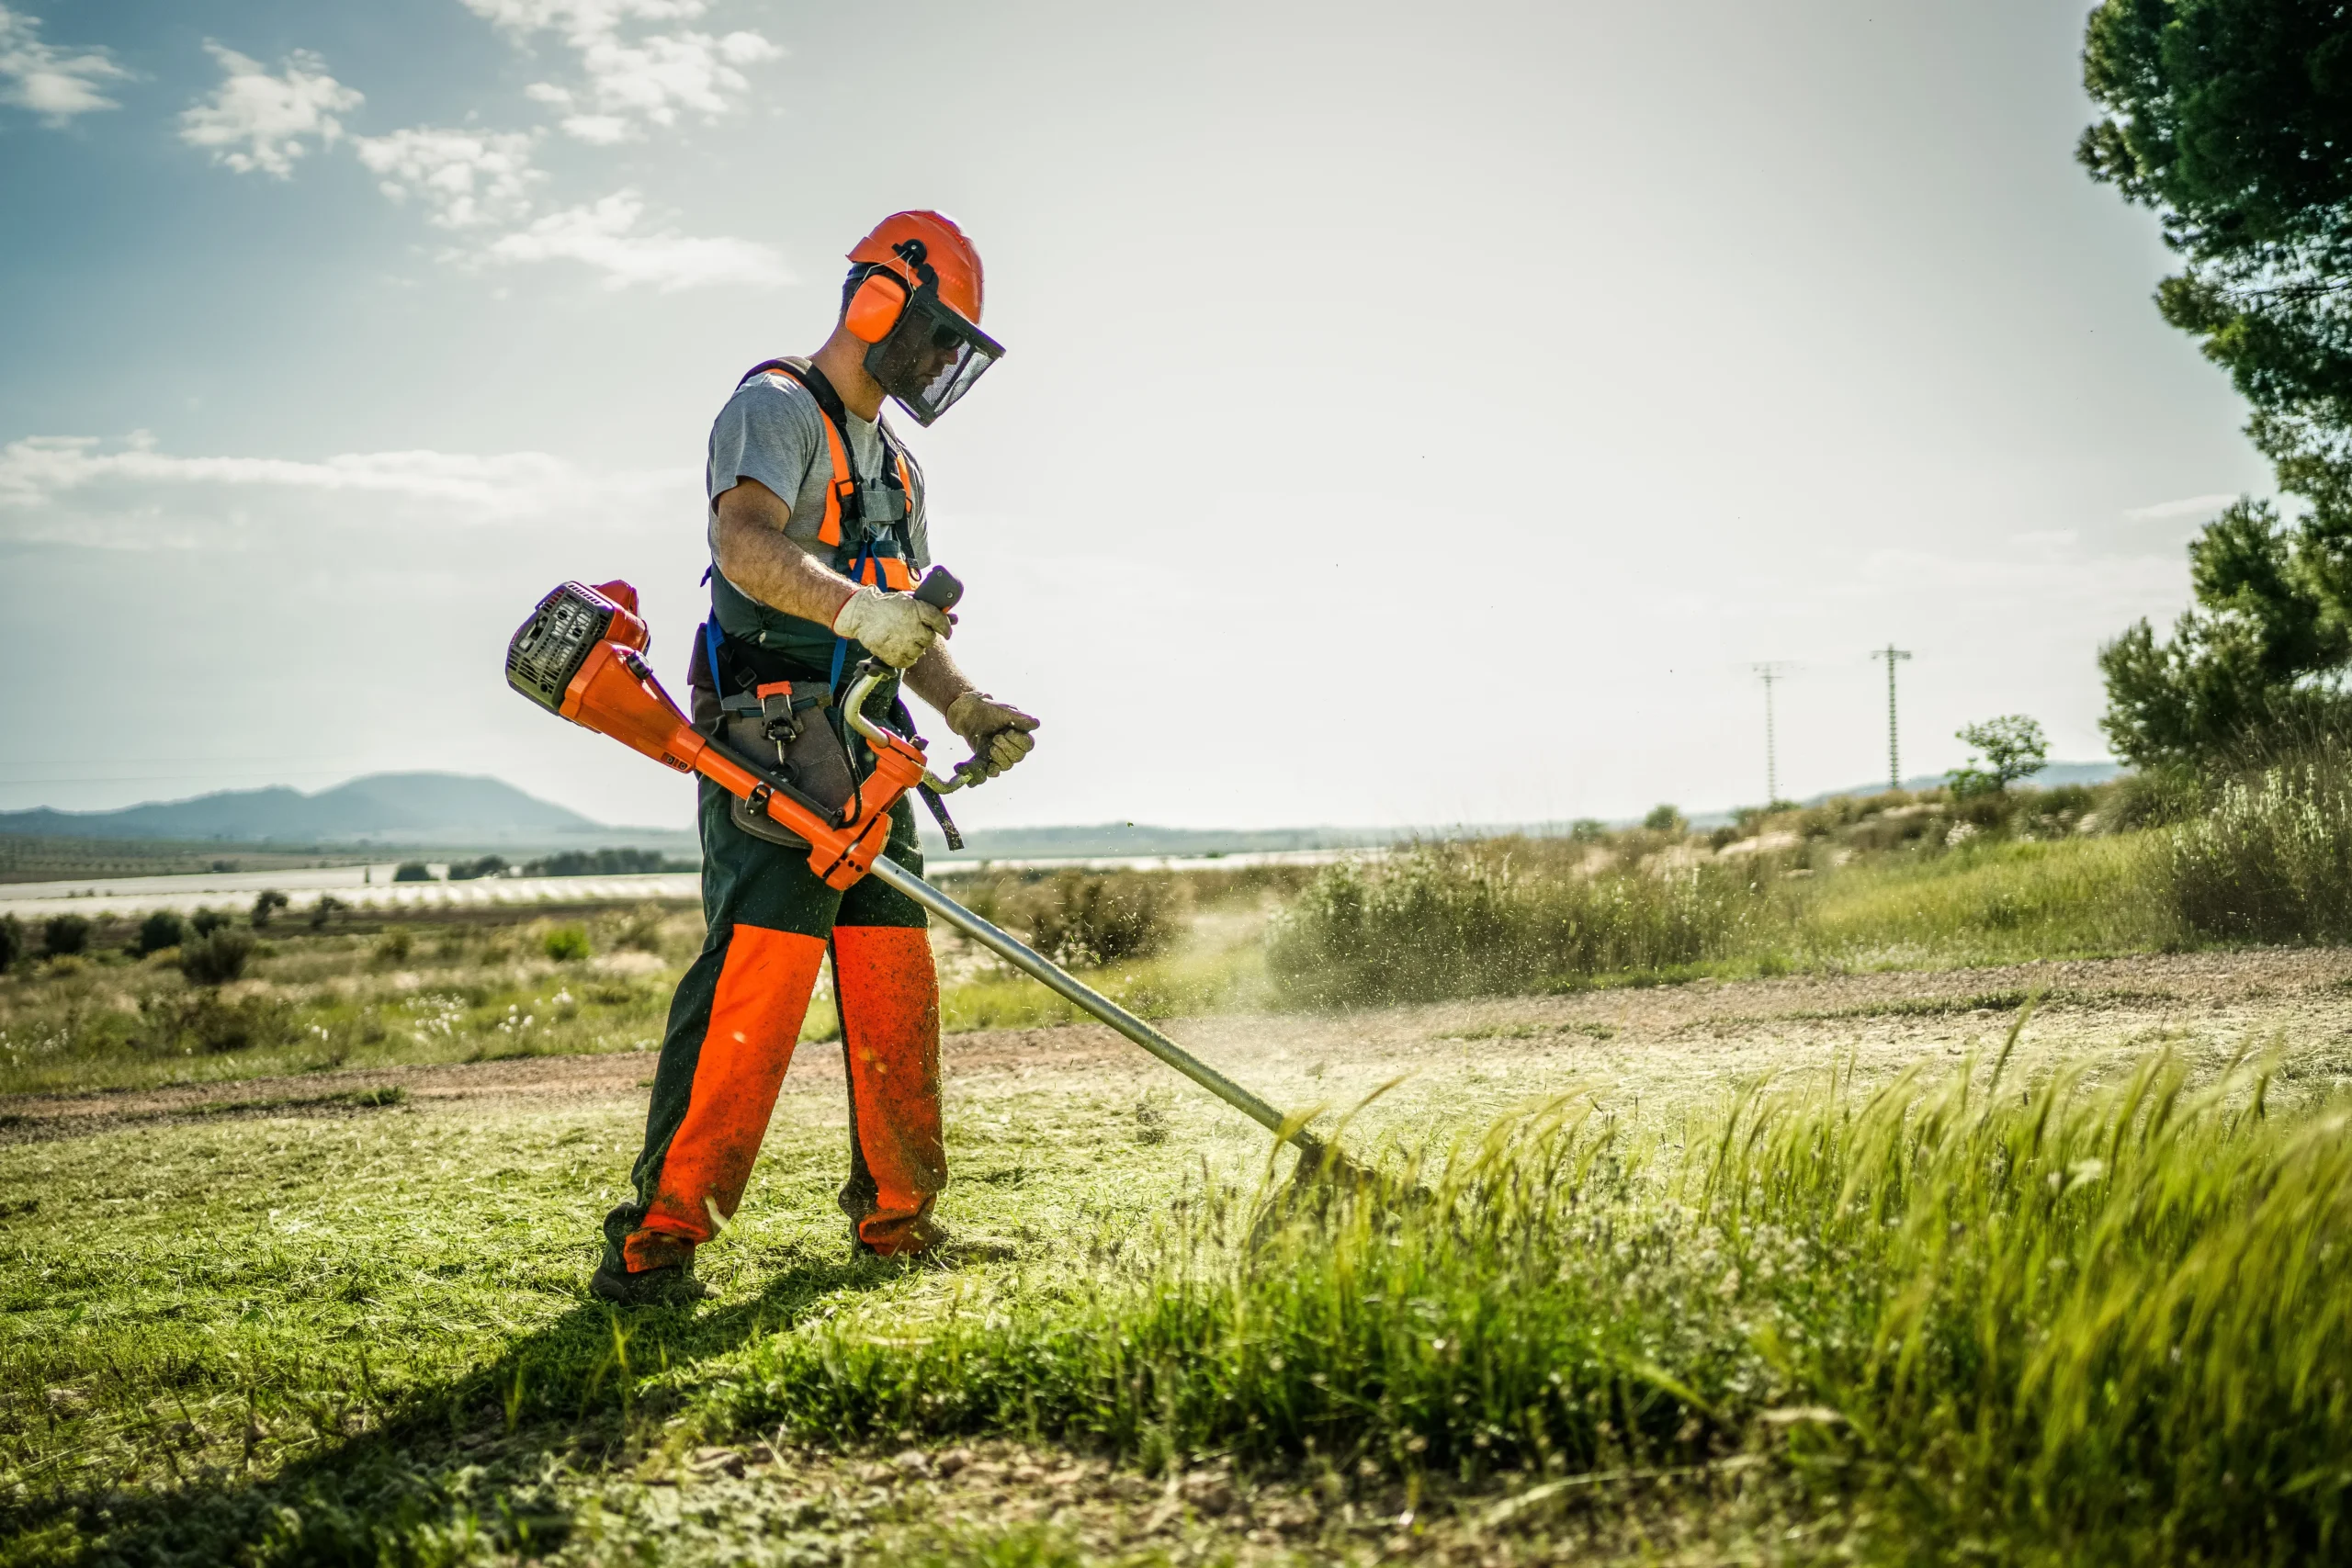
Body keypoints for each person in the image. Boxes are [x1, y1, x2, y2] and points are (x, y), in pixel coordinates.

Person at [592, 210, 1038, 1305]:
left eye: (953, 350)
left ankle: (899, 1224)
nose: (942, 362)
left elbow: (907, 631)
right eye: (939, 336)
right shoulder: (774, 408)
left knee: (895, 992)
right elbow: (741, 540)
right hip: (773, 752)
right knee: (754, 997)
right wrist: (857, 613)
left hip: (872, 758)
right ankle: (653, 1247)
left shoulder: (899, 465)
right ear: (882, 299)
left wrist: (971, 708)